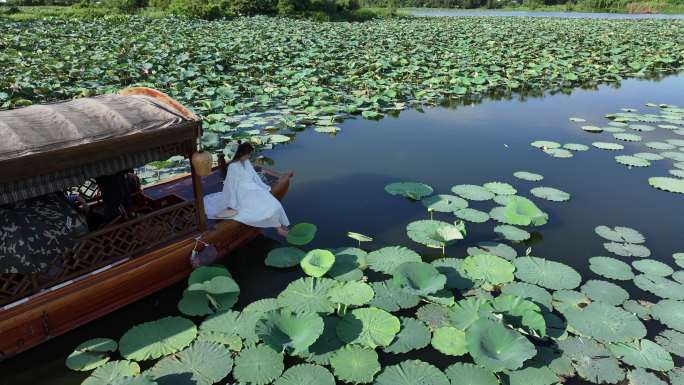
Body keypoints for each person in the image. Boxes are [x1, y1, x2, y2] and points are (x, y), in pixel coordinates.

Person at [204, 142, 291, 237]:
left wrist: (263, 187)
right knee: (264, 210)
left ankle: (282, 224)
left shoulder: (247, 162)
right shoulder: (233, 167)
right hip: (242, 193)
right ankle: (278, 228)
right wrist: (232, 204)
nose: (249, 156)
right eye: (248, 154)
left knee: (275, 204)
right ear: (241, 154)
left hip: (253, 189)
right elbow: (231, 186)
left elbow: (254, 176)